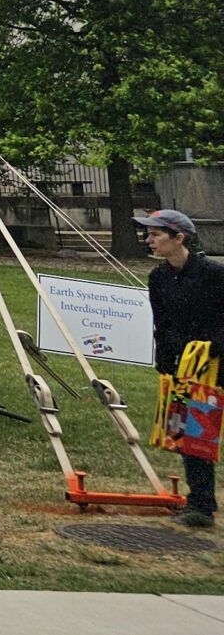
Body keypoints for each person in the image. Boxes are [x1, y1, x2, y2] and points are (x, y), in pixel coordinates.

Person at [137, 209, 224, 527]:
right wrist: (165, 360)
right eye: (148, 234)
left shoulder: (213, 274)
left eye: (156, 234)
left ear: (179, 238)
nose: (149, 240)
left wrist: (213, 347)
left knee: (198, 431)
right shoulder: (158, 278)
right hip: (186, 367)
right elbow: (163, 322)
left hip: (215, 361)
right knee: (191, 433)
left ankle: (201, 504)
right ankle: (201, 506)